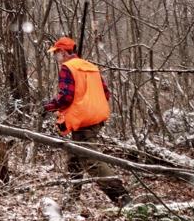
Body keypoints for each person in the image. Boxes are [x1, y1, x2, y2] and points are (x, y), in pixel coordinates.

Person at [43, 37, 131, 207]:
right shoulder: (91, 67)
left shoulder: (68, 68)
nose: (55, 57)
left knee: (92, 161)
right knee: (74, 157)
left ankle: (122, 198)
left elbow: (65, 98)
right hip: (96, 117)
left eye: (56, 53)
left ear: (62, 52)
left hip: (83, 121)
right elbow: (105, 93)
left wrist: (48, 106)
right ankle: (71, 199)